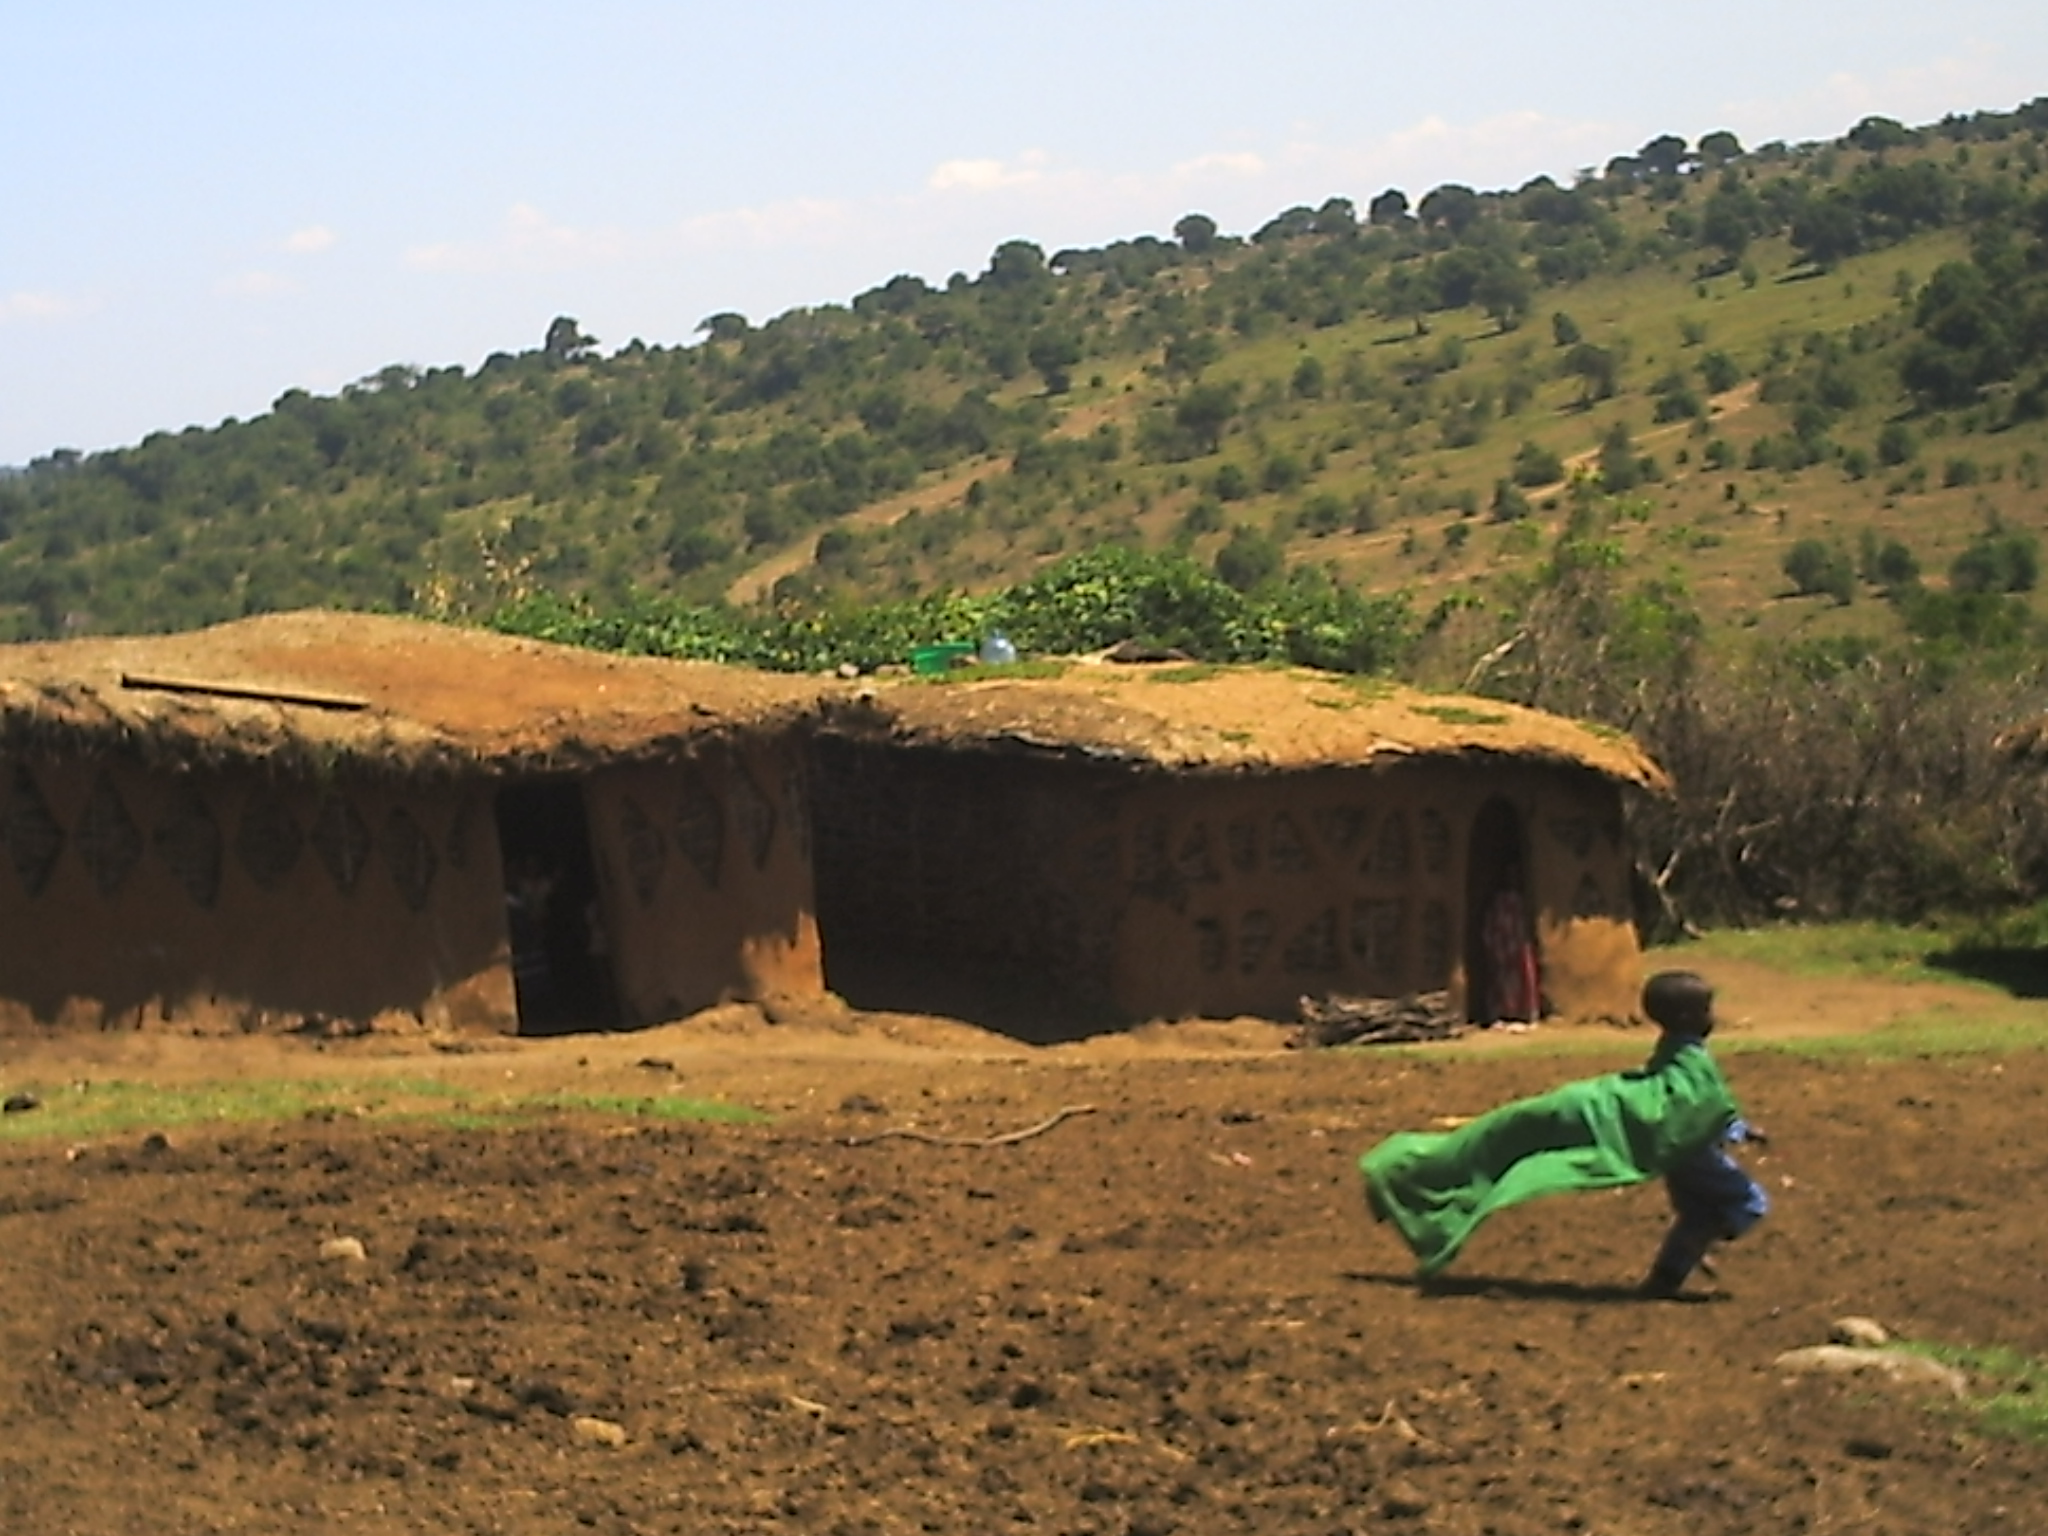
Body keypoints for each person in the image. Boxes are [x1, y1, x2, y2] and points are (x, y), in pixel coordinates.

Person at [1359, 969, 1768, 1295]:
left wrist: (1734, 1125)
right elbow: (1692, 1105)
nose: (1711, 1017)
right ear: (1685, 1018)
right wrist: (1730, 1127)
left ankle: (1669, 1275)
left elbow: (1694, 1103)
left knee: (1704, 1210)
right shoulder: (1689, 1057)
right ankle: (1693, 1245)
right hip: (1690, 1153)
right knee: (1747, 1204)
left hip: (1683, 1150)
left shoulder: (1679, 1053)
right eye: (1705, 1009)